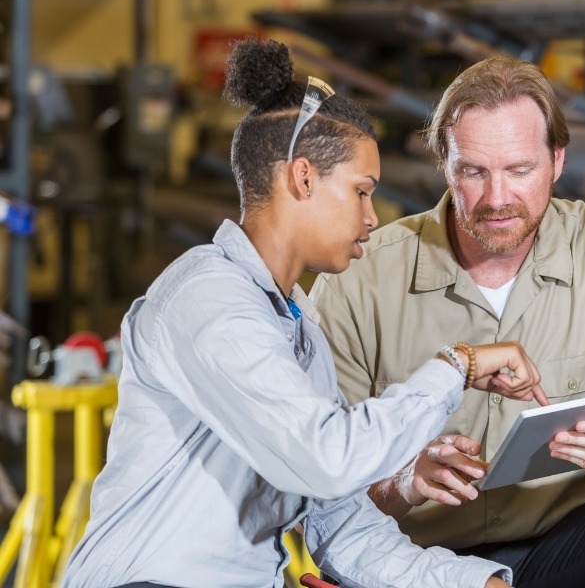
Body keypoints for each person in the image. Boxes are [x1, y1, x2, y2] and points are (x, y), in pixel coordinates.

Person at [62, 39, 550, 588]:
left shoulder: (298, 332)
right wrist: (456, 365)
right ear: (303, 178)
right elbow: (326, 456)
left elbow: (342, 524)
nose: (371, 218)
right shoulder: (206, 299)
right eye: (362, 191)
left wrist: (479, 584)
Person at [310, 54, 585, 587]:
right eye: (474, 171)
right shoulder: (360, 276)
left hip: (565, 547)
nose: (497, 199)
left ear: (557, 160)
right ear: (444, 161)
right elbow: (318, 491)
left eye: (520, 170)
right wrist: (406, 481)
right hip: (415, 560)